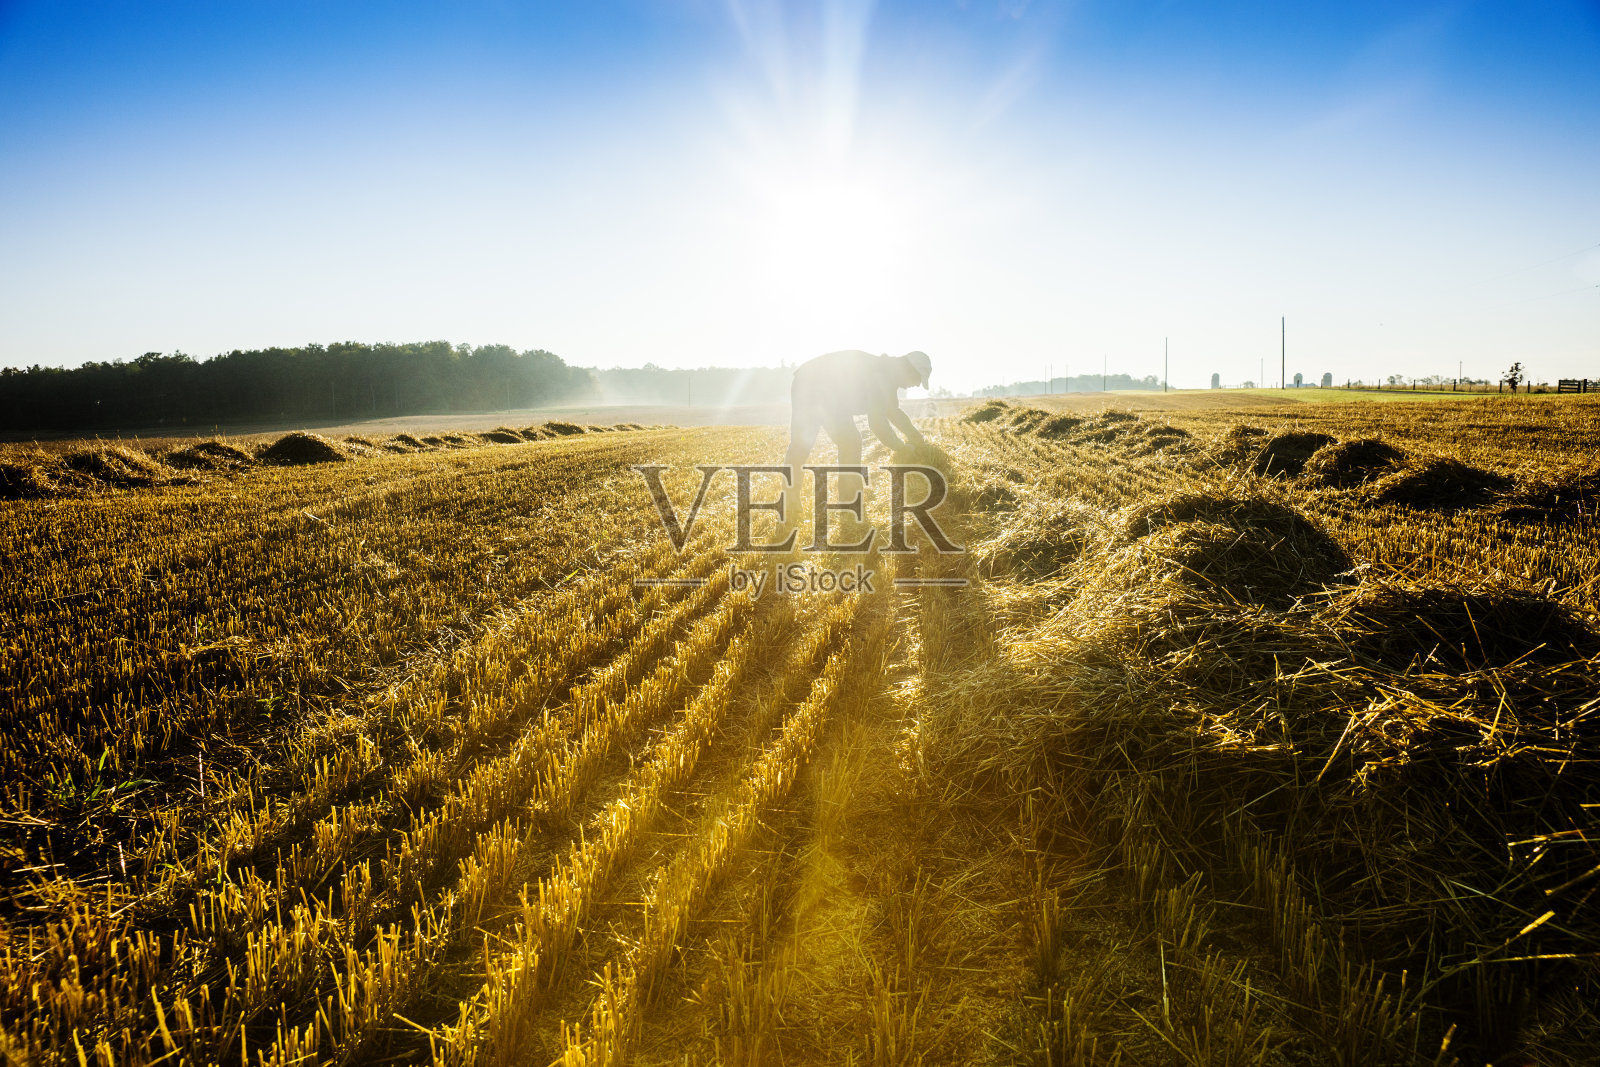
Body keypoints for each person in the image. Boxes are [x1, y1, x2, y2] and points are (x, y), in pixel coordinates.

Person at [784, 349, 931, 469]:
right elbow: (877, 424)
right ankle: (791, 495)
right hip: (812, 382)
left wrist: (916, 438)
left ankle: (847, 498)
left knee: (848, 442)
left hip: (825, 390)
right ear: (909, 371)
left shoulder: (887, 374)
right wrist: (901, 448)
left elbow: (893, 411)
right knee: (806, 443)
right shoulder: (881, 376)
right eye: (918, 379)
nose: (918, 384)